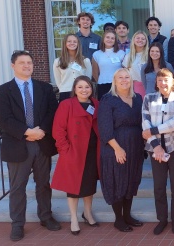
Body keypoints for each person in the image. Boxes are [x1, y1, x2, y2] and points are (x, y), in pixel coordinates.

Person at [0, 50, 60, 241]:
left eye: (29, 62)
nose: (26, 66)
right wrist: (27, 132)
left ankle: (46, 217)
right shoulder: (1, 91)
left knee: (44, 184)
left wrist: (41, 131)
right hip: (17, 144)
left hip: (42, 143)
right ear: (13, 66)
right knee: (17, 187)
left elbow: (52, 112)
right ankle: (17, 224)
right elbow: (3, 119)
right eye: (22, 63)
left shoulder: (45, 88)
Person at [51, 76, 100, 235]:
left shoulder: (96, 104)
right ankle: (73, 218)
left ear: (91, 88)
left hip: (92, 150)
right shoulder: (67, 104)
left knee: (89, 184)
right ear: (74, 89)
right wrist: (64, 150)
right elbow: (58, 130)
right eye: (80, 87)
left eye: (87, 87)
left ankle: (88, 213)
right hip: (74, 151)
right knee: (73, 186)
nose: (84, 90)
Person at [98, 68, 145, 232]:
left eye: (127, 77)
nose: (124, 80)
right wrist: (117, 149)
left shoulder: (138, 98)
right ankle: (119, 219)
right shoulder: (108, 100)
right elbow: (104, 129)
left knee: (131, 180)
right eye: (120, 77)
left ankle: (127, 215)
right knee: (118, 181)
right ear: (114, 80)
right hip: (115, 147)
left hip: (135, 146)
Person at [141, 68, 174, 235]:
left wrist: (154, 131)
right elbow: (145, 122)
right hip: (156, 149)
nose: (163, 83)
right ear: (156, 82)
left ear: (172, 81)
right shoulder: (149, 98)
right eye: (160, 80)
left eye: (166, 79)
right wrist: (156, 145)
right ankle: (162, 219)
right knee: (159, 186)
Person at [53, 34, 92, 102]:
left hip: (82, 94)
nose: (72, 43)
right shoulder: (58, 62)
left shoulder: (85, 61)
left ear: (78, 44)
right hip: (65, 93)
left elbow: (88, 79)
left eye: (74, 41)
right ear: (65, 43)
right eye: (69, 41)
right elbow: (58, 81)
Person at [92, 31, 125, 98]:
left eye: (112, 38)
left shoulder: (121, 53)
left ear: (115, 41)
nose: (110, 40)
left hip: (118, 85)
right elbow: (94, 73)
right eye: (107, 37)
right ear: (103, 39)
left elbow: (124, 70)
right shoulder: (96, 54)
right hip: (102, 85)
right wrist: (99, 81)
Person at [123, 31, 149, 98]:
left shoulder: (150, 55)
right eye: (138, 38)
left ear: (146, 41)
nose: (140, 40)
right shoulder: (128, 56)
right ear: (133, 40)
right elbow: (125, 73)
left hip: (149, 86)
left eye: (143, 39)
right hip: (135, 87)